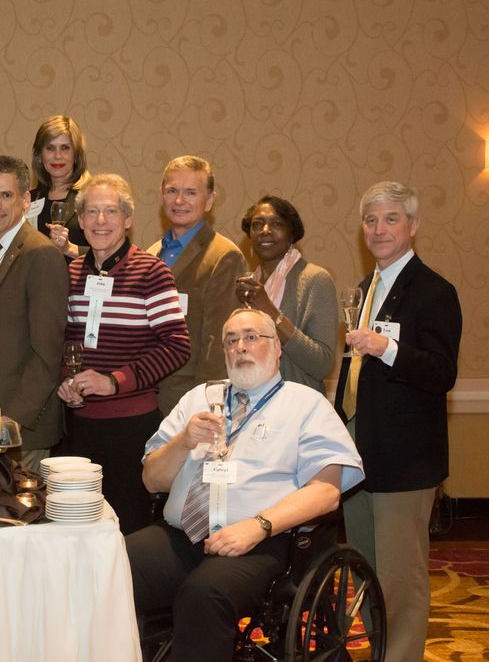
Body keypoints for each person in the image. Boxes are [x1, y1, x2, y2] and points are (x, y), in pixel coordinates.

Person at [127, 308, 364, 662]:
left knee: (204, 594)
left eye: (252, 337)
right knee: (110, 565)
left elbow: (327, 492)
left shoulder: (306, 405)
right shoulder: (197, 399)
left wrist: (258, 526)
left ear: (277, 347)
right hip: (183, 534)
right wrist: (183, 442)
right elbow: (151, 480)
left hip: (263, 543)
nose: (240, 347)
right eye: (231, 340)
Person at [335, 181, 462, 662]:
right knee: (365, 568)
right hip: (358, 447)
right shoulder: (364, 289)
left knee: (400, 577)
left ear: (413, 226)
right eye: (371, 220)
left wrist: (386, 347)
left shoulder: (434, 291)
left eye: (391, 219)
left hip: (405, 458)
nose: (379, 229)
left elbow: (442, 373)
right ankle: (381, 651)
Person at [56, 174, 190, 534]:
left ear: (127, 219)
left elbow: (177, 345)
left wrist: (114, 382)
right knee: (77, 529)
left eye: (111, 211)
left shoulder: (152, 272)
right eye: (91, 212)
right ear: (80, 220)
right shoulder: (71, 273)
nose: (100, 221)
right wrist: (66, 382)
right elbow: (64, 341)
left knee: (124, 532)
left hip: (131, 429)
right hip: (79, 427)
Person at [0, 156, 68, 473]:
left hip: (22, 428)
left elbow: (47, 352)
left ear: (25, 200)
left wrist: (14, 419)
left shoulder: (42, 254)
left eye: (6, 195)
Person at [147, 155, 247, 413]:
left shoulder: (224, 256)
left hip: (189, 400)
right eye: (172, 191)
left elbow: (219, 345)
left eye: (191, 192)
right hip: (145, 397)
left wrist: (203, 405)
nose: (179, 201)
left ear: (209, 200)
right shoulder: (151, 253)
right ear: (162, 195)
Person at [233, 195, 339, 394]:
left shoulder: (315, 280)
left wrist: (268, 308)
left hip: (299, 404)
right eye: (257, 224)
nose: (265, 230)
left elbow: (322, 364)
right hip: (251, 400)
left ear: (292, 235)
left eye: (276, 224)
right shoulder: (247, 285)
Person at [28, 115, 89, 259]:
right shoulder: (28, 200)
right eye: (50, 148)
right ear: (39, 155)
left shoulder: (92, 198)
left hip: (78, 274)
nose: (57, 156)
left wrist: (70, 249)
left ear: (76, 155)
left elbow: (112, 253)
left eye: (65, 148)